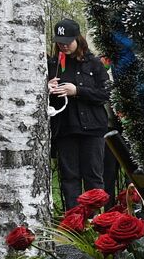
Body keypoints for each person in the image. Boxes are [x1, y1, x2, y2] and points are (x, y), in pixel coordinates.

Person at [48, 19, 112, 209]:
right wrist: (47, 88)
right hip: (64, 128)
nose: (64, 45)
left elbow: (105, 94)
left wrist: (77, 91)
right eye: (60, 42)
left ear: (78, 38)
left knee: (93, 176)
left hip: (92, 129)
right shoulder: (52, 64)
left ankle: (97, 220)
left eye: (68, 41)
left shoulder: (93, 63)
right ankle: (74, 223)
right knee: (69, 177)